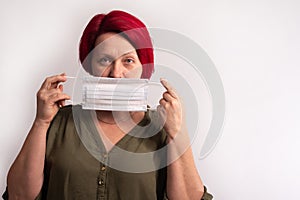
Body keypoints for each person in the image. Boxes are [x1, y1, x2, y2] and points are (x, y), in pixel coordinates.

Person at [3, 10, 213, 200]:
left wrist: (178, 132)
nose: (116, 73)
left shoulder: (162, 127)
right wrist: (41, 122)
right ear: (90, 67)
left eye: (128, 61)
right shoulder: (57, 122)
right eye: (104, 60)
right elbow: (19, 196)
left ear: (144, 68)